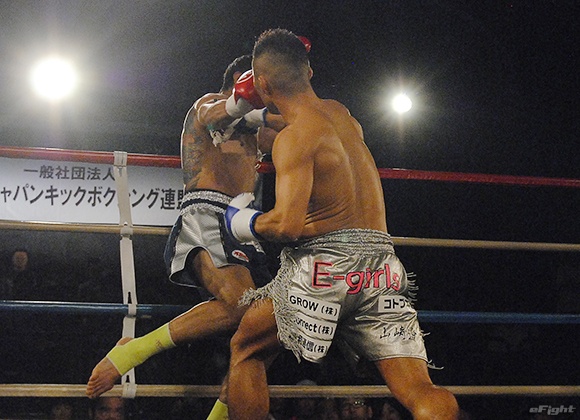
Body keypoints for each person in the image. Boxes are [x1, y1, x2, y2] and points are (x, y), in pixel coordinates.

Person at [223, 29, 460, 420]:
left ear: (262, 85)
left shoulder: (293, 139)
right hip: (382, 267)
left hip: (325, 268)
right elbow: (314, 139)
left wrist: (243, 222)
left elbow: (287, 225)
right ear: (309, 71)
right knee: (419, 389)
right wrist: (260, 118)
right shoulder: (342, 115)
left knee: (246, 349)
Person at [86, 54, 284, 418]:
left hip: (245, 225)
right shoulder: (208, 104)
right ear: (243, 79)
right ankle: (135, 350)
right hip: (207, 213)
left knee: (275, 323)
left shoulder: (257, 126)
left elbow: (290, 127)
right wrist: (249, 100)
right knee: (243, 305)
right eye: (266, 81)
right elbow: (217, 115)